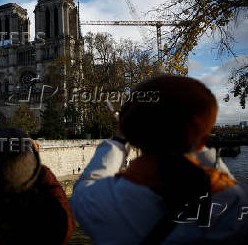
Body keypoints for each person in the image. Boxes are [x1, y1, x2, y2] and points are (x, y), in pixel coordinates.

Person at [71, 75, 248, 244]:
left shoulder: (105, 202)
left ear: (131, 132)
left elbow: (84, 186)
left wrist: (119, 139)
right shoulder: (232, 202)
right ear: (201, 136)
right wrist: (196, 140)